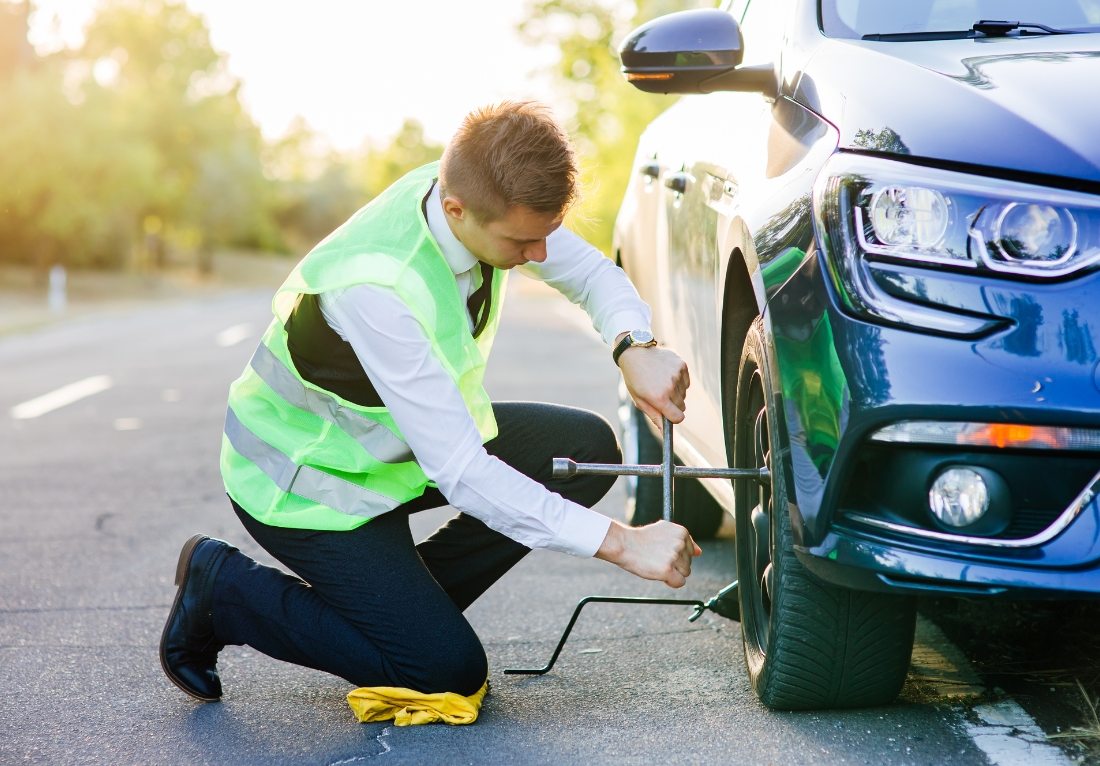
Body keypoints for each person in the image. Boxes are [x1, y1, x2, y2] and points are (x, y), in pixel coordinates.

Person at [159, 101, 697, 703]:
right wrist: (622, 542)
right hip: (312, 486)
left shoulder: (478, 191)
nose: (541, 255)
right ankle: (224, 591)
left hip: (398, 456)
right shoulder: (376, 288)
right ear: (456, 210)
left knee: (584, 451)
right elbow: (462, 471)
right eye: (524, 241)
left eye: (545, 235)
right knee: (445, 673)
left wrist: (634, 347)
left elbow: (592, 274)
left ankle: (406, 613)